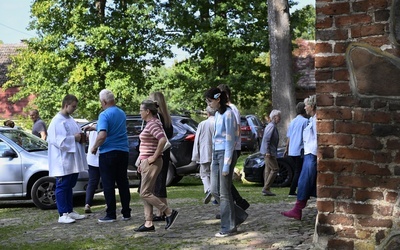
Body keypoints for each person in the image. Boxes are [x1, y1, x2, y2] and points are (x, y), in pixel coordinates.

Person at [205, 87, 248, 237]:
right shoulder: (217, 114)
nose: (208, 104)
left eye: (210, 101)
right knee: (214, 190)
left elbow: (231, 140)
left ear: (218, 99)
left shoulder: (229, 114)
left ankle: (228, 227)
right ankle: (238, 216)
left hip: (225, 154)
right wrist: (213, 161)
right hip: (217, 154)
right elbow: (215, 139)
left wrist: (226, 164)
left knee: (224, 192)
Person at [134, 100, 179, 232]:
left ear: (147, 111)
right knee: (148, 191)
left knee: (144, 193)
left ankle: (169, 212)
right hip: (146, 161)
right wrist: (143, 161)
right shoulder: (152, 122)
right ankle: (148, 222)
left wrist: (153, 157)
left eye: (141, 110)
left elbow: (163, 139)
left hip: (151, 162)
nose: (140, 113)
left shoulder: (152, 124)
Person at [90, 89, 131, 223]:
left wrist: (94, 147)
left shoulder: (104, 115)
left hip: (108, 152)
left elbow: (103, 135)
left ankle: (111, 214)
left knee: (108, 184)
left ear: (104, 101)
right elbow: (113, 128)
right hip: (123, 151)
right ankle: (126, 212)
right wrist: (95, 127)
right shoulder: (121, 113)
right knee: (123, 182)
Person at [47, 94, 87, 224]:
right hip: (62, 160)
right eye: (73, 106)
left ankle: (69, 211)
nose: (75, 109)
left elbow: (76, 134)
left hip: (72, 159)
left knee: (70, 185)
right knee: (63, 185)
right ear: (66, 105)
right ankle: (62, 213)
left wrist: (82, 137)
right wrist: (74, 138)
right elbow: (57, 141)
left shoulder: (70, 119)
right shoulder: (57, 121)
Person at [281, 95, 317, 220]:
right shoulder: (311, 120)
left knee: (305, 181)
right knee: (304, 181)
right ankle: (298, 209)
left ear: (312, 106)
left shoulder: (315, 120)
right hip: (308, 154)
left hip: (311, 154)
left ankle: (297, 209)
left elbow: (317, 139)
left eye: (307, 105)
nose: (305, 107)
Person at [217, 84, 250, 211]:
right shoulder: (224, 110)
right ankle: (236, 204)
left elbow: (235, 129)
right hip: (228, 147)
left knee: (224, 181)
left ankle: (235, 206)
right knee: (224, 181)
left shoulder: (231, 110)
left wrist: (232, 146)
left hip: (232, 148)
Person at [149, 91, 173, 222]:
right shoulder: (167, 117)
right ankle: (163, 211)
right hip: (165, 152)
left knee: (158, 183)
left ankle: (163, 212)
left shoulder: (157, 117)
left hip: (158, 152)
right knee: (160, 182)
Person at [191, 106, 216, 203]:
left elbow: (197, 140)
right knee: (214, 173)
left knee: (204, 173)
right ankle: (214, 193)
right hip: (216, 151)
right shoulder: (217, 123)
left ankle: (209, 189)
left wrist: (196, 155)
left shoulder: (202, 124)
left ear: (208, 113)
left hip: (204, 151)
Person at [284, 102, 309, 197]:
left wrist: (286, 149)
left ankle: (295, 189)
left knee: (296, 170)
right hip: (300, 149)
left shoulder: (293, 121)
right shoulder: (305, 121)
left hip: (292, 149)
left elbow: (289, 137)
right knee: (299, 171)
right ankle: (293, 190)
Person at [260, 109, 282, 196]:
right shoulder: (271, 126)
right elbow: (266, 139)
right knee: (275, 169)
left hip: (269, 151)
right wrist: (268, 152)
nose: (280, 119)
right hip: (269, 152)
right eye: (279, 117)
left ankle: (267, 189)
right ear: (275, 117)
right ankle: (266, 188)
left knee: (268, 170)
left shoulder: (271, 126)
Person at [83, 124, 100, 214]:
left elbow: (87, 138)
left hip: (91, 158)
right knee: (107, 182)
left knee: (92, 182)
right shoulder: (103, 126)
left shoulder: (91, 126)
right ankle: (109, 204)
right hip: (101, 156)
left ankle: (87, 203)